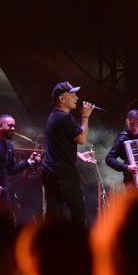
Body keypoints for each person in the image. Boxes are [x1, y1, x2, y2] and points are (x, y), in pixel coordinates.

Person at [41, 81, 96, 224]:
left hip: (50, 171)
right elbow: (82, 139)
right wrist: (85, 117)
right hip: (63, 173)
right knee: (78, 211)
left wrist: (78, 155)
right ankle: (77, 244)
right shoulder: (64, 117)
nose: (76, 98)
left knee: (54, 212)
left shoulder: (53, 115)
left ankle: (48, 244)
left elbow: (57, 145)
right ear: (62, 99)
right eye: (72, 95)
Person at [0, 114, 40, 221]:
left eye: (14, 126)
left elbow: (11, 170)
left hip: (2, 191)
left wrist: (29, 162)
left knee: (7, 222)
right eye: (10, 126)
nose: (13, 129)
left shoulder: (9, 145)